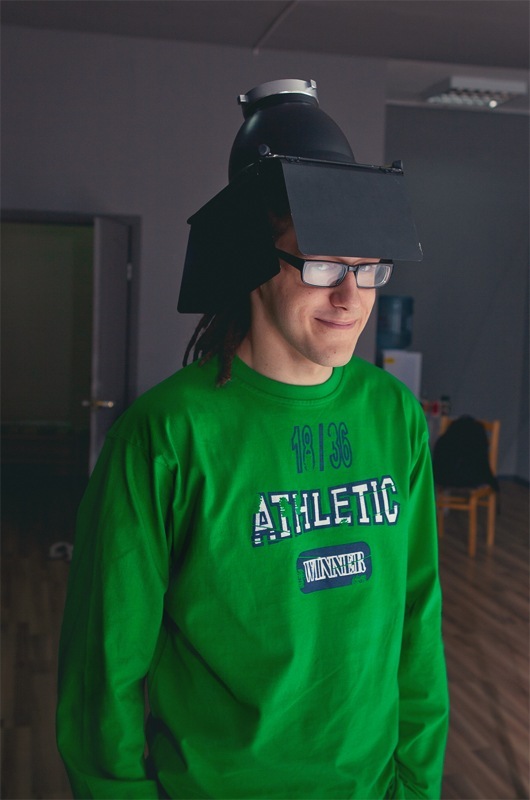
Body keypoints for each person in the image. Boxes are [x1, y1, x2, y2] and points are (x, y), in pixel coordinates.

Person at [57, 79, 449, 799]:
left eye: (368, 268)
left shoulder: (393, 415)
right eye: (323, 263)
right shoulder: (166, 435)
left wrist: (415, 786)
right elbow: (103, 668)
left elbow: (417, 622)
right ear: (253, 260)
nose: (351, 296)